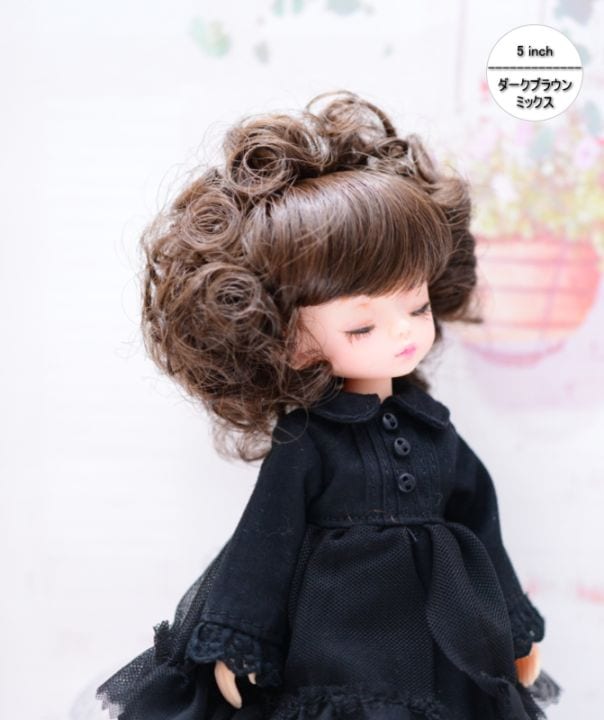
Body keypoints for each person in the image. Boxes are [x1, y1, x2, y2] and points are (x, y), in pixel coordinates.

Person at [96, 90, 562, 720]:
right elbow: (263, 542)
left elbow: (482, 531)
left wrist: (513, 628)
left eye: (417, 306)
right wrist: (238, 639)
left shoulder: (435, 432)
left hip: (440, 644)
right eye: (362, 327)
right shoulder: (308, 439)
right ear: (285, 340)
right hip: (336, 644)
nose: (403, 333)